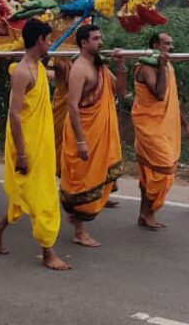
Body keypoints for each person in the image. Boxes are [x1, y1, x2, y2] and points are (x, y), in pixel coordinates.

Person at [0, 19, 70, 271]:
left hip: (39, 142)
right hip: (27, 144)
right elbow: (14, 114)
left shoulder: (39, 68)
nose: (50, 44)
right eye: (48, 39)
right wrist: (21, 153)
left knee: (26, 193)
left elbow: (54, 81)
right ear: (40, 40)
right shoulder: (22, 71)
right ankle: (48, 253)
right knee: (42, 196)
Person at [59, 24, 126, 247]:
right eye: (96, 38)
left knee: (98, 177)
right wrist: (80, 141)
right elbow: (72, 106)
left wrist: (121, 65)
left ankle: (77, 220)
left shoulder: (100, 67)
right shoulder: (80, 68)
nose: (101, 42)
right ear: (84, 42)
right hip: (84, 134)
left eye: (100, 37)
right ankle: (79, 231)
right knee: (82, 183)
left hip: (101, 134)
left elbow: (120, 91)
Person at [132, 33, 189, 229]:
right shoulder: (146, 68)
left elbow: (172, 99)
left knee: (148, 172)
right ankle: (150, 212)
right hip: (149, 128)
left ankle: (144, 214)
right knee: (165, 169)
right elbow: (160, 95)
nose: (171, 47)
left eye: (171, 43)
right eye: (166, 43)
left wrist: (184, 124)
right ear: (155, 45)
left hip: (164, 126)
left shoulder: (167, 66)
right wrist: (161, 65)